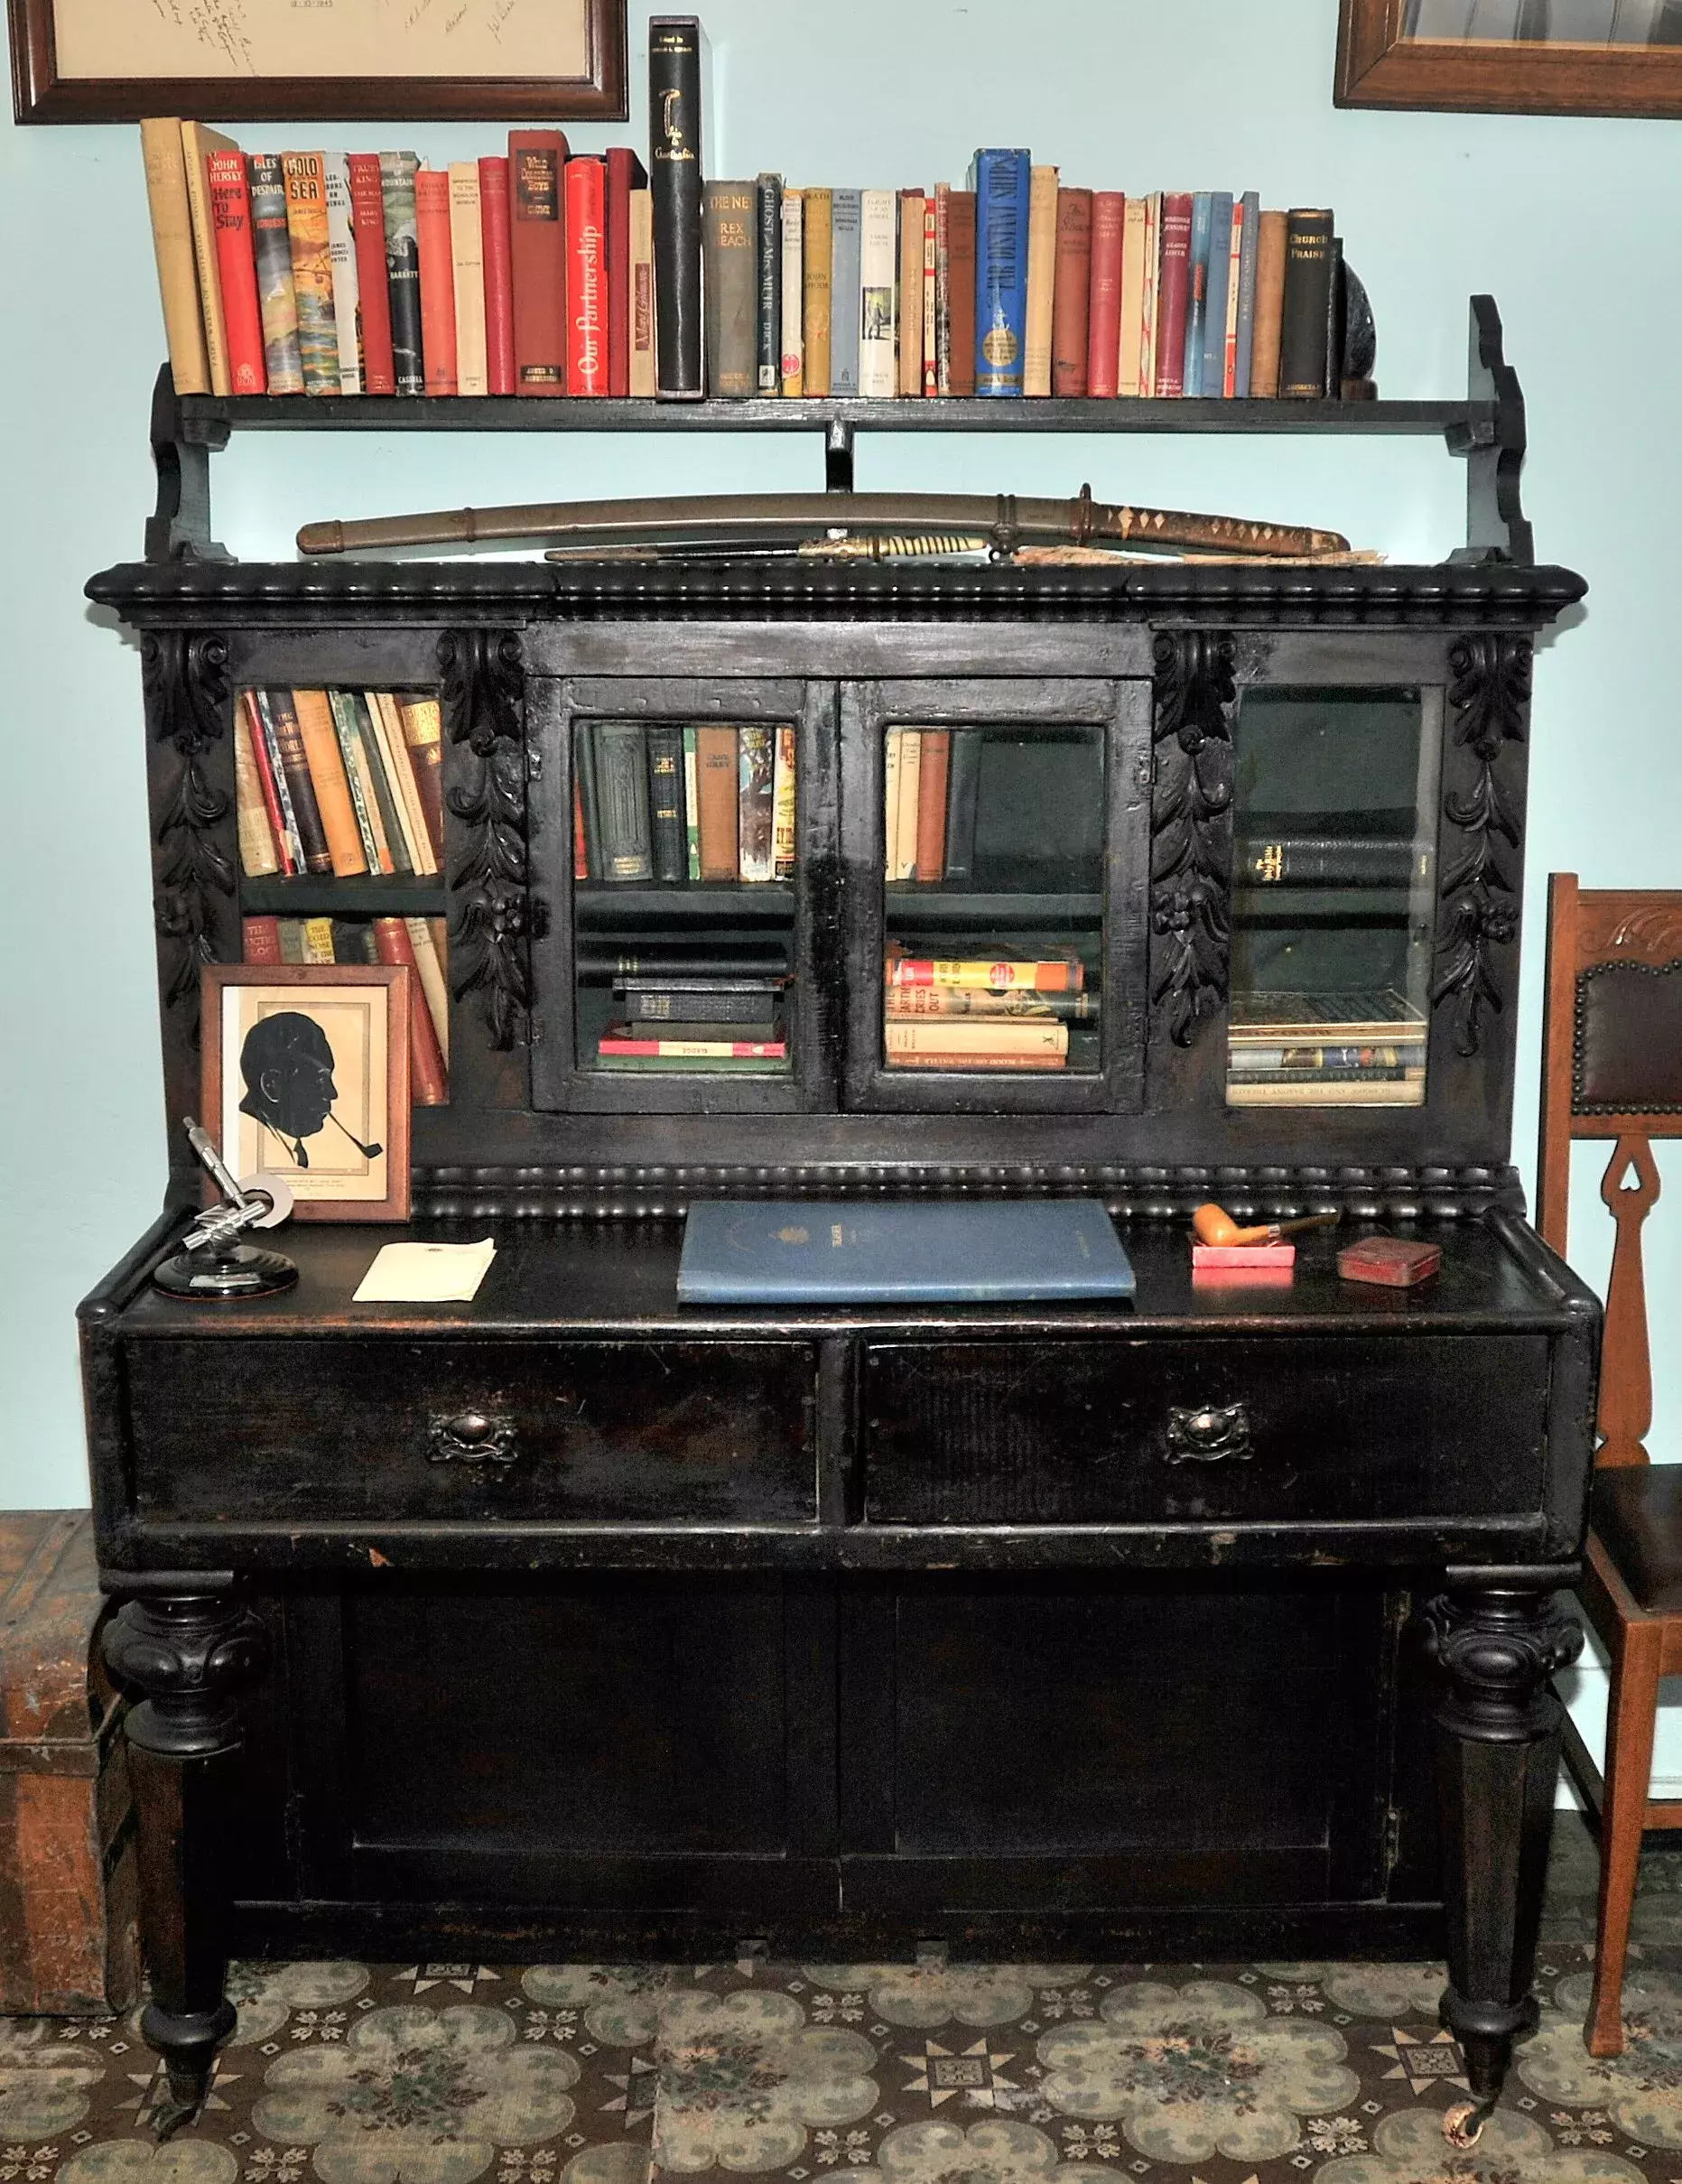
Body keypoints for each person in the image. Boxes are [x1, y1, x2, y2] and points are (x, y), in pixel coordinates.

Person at [237, 1010, 380, 1169]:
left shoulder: (280, 1146)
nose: (333, 1094)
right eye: (320, 1081)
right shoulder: (243, 1147)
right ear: (273, 1085)